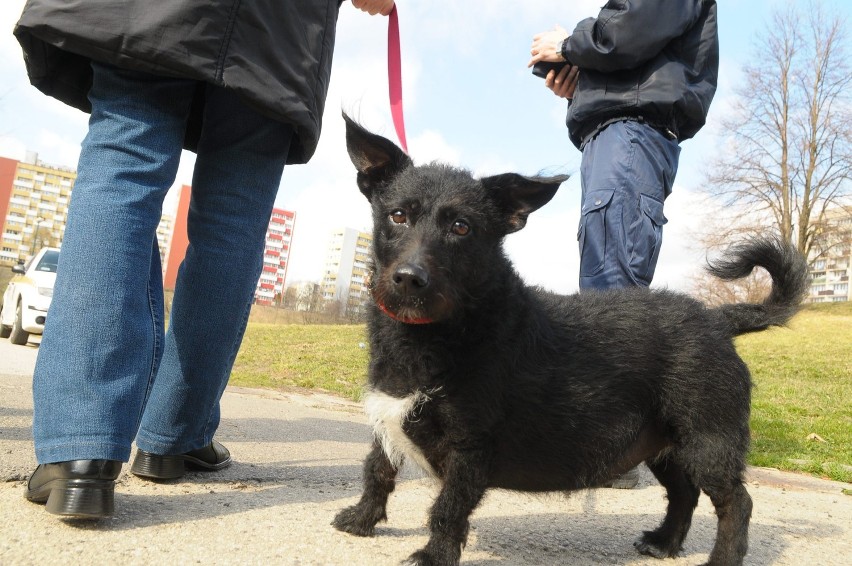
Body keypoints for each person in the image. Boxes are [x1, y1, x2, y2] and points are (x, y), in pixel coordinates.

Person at [14, 0, 396, 519]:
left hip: (149, 11)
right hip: (278, 28)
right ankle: (174, 435)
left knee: (123, 166)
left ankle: (78, 450)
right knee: (234, 220)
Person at [529, 1, 719, 487]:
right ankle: (612, 445)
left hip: (629, 135)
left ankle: (612, 450)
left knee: (613, 295)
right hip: (615, 136)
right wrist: (579, 83)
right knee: (605, 288)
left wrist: (568, 45)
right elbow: (627, 49)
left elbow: (627, 32)